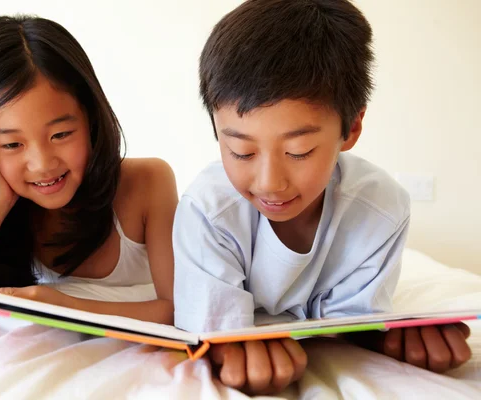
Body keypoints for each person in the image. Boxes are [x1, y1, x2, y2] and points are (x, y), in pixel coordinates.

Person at [173, 0, 471, 394]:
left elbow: (350, 325)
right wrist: (227, 348)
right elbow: (210, 333)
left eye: (298, 153)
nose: (269, 183)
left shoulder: (381, 209)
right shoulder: (207, 210)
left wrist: (392, 339)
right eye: (241, 152)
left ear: (350, 129)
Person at [0, 15, 178, 325]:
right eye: (12, 145)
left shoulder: (147, 183)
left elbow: (181, 311)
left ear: (91, 120)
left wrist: (62, 306)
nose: (43, 164)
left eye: (60, 135)